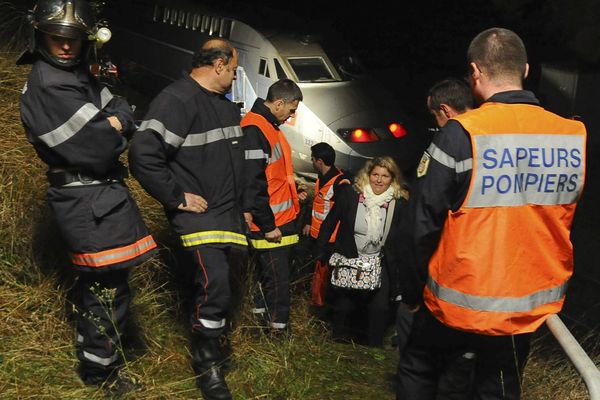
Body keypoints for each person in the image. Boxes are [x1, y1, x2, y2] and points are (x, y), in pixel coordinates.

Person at [396, 27, 587, 400]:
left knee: (421, 373)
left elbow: (420, 225)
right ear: (526, 69)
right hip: (528, 309)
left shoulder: (460, 133)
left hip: (457, 305)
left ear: (475, 73)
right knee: (497, 388)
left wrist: (411, 292)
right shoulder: (571, 135)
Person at [18, 0, 157, 393]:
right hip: (86, 199)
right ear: (41, 35)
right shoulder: (50, 85)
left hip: (98, 197)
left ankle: (98, 358)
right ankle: (100, 372)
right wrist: (115, 124)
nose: (65, 46)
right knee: (106, 288)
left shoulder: (75, 76)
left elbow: (119, 108)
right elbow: (98, 147)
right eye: (57, 37)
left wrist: (117, 120)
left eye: (74, 39)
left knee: (106, 284)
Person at [128, 38, 245, 400]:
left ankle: (211, 347)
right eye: (235, 67)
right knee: (216, 284)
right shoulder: (177, 99)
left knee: (219, 288)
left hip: (228, 219)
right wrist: (176, 197)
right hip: (201, 220)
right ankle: (206, 363)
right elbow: (143, 154)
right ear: (220, 64)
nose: (237, 74)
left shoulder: (223, 107)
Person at [316, 156, 409, 347]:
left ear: (392, 179)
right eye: (375, 174)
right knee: (345, 304)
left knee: (380, 307)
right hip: (350, 256)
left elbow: (402, 238)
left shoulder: (397, 204)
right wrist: (321, 252)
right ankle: (338, 340)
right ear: (368, 175)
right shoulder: (350, 195)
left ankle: (373, 345)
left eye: (385, 176)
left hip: (378, 260)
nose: (379, 180)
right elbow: (330, 222)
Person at [241, 79, 305, 336]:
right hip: (271, 223)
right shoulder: (256, 129)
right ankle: (278, 331)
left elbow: (271, 174)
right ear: (279, 103)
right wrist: (268, 225)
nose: (292, 116)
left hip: (280, 218)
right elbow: (252, 183)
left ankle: (261, 322)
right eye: (291, 110)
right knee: (277, 280)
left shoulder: (267, 126)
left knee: (267, 276)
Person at [301, 142, 350, 307]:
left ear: (319, 161)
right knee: (315, 275)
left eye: (313, 159)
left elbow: (340, 213)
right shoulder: (321, 178)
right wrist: (308, 222)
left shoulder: (340, 183)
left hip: (329, 241)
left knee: (325, 280)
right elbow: (317, 203)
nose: (311, 161)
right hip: (316, 237)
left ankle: (321, 310)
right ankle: (314, 303)